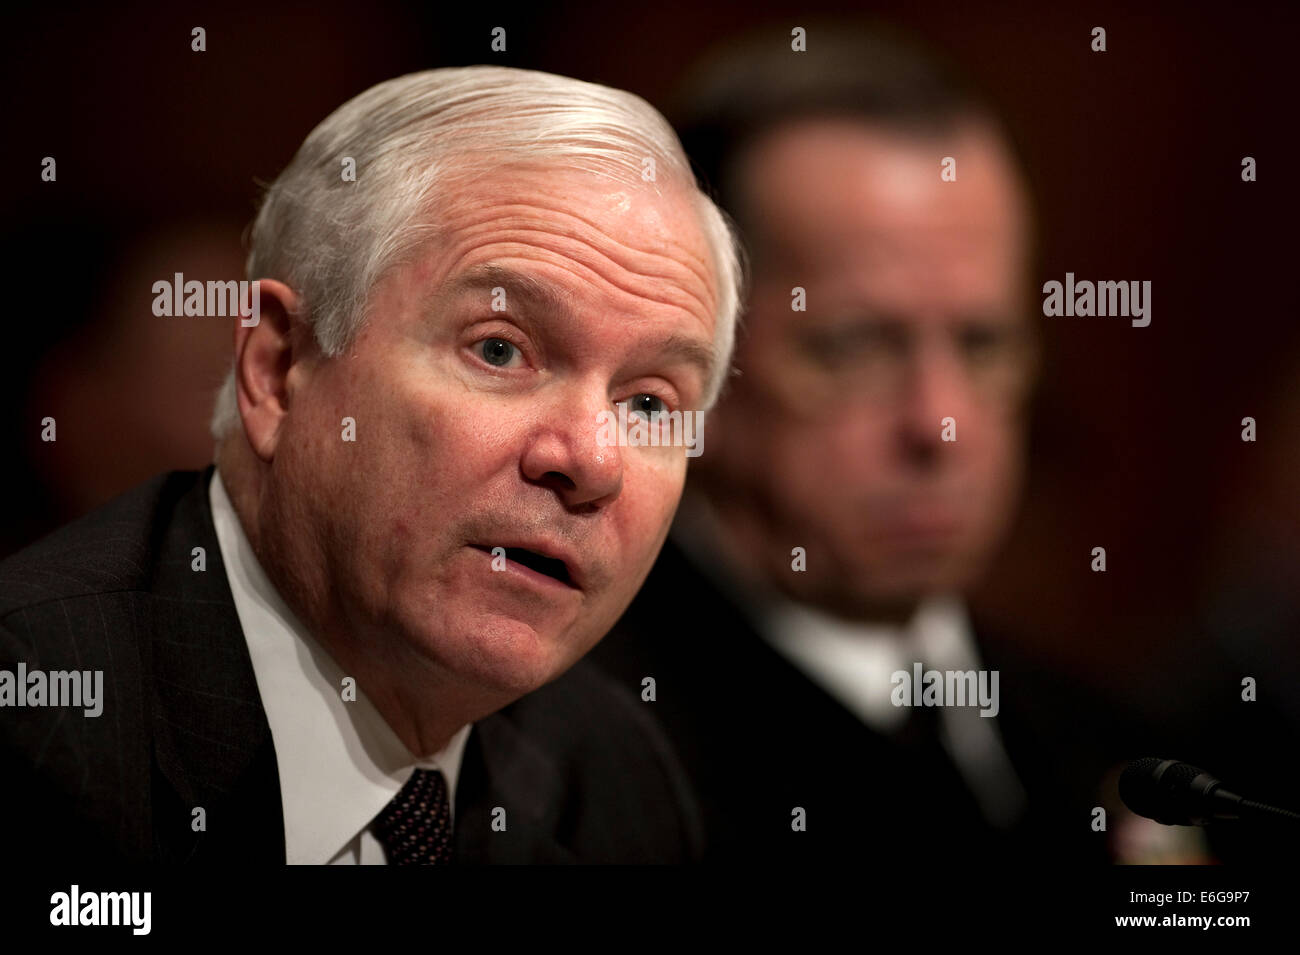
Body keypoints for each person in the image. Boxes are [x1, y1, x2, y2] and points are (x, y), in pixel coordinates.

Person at [0, 65, 743, 864]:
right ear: (279, 367)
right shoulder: (36, 729)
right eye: (499, 350)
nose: (593, 460)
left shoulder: (613, 782)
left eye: (650, 405)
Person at [592, 26, 1138, 862]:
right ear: (691, 363)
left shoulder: (1121, 756)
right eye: (854, 347)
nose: (939, 422)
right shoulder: (582, 770)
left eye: (983, 343)